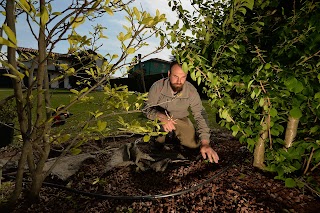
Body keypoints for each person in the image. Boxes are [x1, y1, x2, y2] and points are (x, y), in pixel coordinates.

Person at [143, 61, 219, 163]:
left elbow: (200, 115)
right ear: (169, 74)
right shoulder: (157, 86)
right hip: (160, 120)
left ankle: (176, 137)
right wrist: (161, 117)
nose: (179, 81)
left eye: (183, 77)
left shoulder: (191, 91)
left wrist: (205, 143)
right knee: (158, 145)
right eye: (175, 76)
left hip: (181, 119)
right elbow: (146, 109)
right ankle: (160, 140)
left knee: (193, 146)